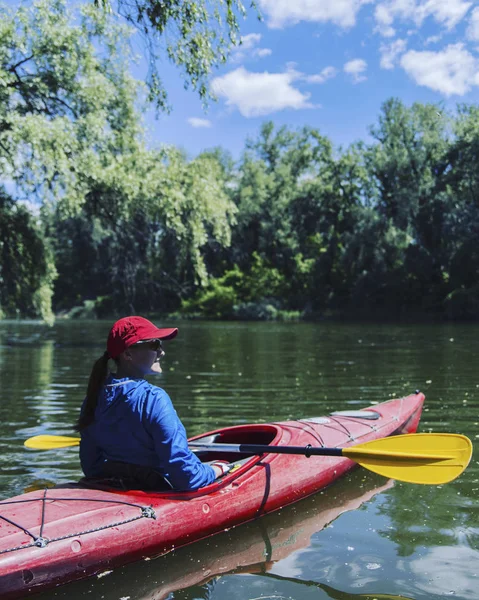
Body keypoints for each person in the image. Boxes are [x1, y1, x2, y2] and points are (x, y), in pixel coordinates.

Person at [77, 316, 229, 491]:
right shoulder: (154, 399)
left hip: (113, 489)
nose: (161, 352)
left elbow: (91, 468)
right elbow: (186, 478)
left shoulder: (93, 398)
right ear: (127, 354)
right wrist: (214, 470)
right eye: (154, 345)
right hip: (155, 493)